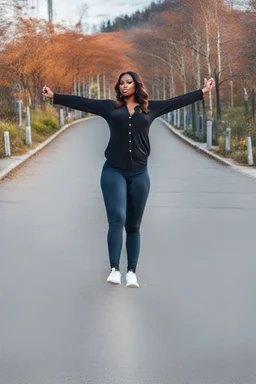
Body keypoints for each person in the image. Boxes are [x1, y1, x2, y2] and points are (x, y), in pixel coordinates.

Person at [42, 71, 215, 288]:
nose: (124, 86)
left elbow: (176, 102)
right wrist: (55, 97)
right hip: (113, 171)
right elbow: (83, 103)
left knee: (133, 225)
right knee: (117, 218)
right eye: (121, 83)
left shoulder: (150, 107)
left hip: (140, 174)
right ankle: (115, 269)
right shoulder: (110, 107)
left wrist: (203, 91)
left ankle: (131, 272)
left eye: (128, 82)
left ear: (136, 85)